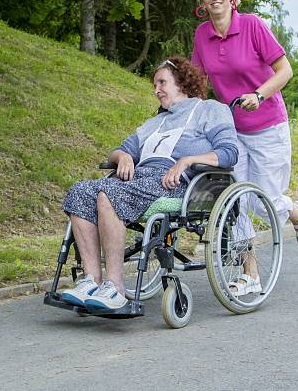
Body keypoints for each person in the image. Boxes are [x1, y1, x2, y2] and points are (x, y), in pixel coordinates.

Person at [59, 56, 239, 312]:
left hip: (176, 183)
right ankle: (91, 280)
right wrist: (122, 157)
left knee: (107, 194)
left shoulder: (210, 109)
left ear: (182, 82)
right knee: (80, 191)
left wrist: (187, 161)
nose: (157, 90)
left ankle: (116, 288)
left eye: (162, 82)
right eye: (155, 85)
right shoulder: (154, 123)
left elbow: (229, 152)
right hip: (140, 181)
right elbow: (121, 149)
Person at [191, 0, 298, 295]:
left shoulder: (252, 25)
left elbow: (285, 70)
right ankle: (250, 273)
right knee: (236, 202)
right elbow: (198, 81)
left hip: (267, 126)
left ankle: (297, 210)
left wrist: (259, 94)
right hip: (231, 130)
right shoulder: (202, 35)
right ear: (203, 2)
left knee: (265, 204)